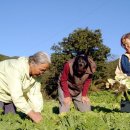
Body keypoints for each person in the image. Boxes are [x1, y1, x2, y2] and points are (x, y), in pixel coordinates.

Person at [0, 51, 51, 123]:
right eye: (41, 70)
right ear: (32, 63)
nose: (42, 73)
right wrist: (32, 114)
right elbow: (17, 96)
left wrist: (37, 112)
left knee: (11, 121)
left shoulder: (37, 76)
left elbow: (35, 94)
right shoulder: (16, 68)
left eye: (44, 71)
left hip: (9, 97)